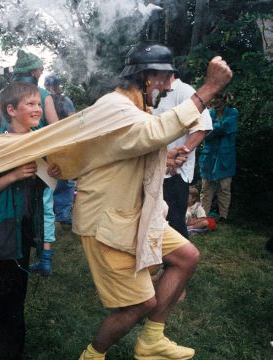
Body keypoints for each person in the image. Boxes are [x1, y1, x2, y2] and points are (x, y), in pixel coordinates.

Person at [69, 42, 232, 359]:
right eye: (164, 77)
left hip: (133, 213)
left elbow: (132, 149)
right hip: (106, 221)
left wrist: (164, 158)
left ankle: (151, 340)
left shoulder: (130, 108)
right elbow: (153, 132)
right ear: (145, 77)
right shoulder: (116, 106)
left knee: (186, 256)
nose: (169, 85)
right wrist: (210, 87)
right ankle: (92, 355)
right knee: (139, 304)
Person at [0, 81, 61, 359]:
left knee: (17, 295)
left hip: (22, 231)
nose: (38, 109)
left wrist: (53, 170)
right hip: (0, 231)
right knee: (6, 296)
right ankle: (2, 349)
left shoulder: (37, 140)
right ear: (11, 109)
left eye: (38, 103)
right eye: (31, 104)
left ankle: (10, 347)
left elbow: (42, 181)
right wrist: (13, 175)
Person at [0, 50, 61, 277]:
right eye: (40, 69)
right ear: (34, 71)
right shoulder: (42, 93)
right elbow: (56, 127)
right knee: (45, 203)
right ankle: (46, 258)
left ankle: (11, 247)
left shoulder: (4, 93)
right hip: (36, 154)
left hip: (6, 152)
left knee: (9, 198)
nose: (41, 73)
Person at [153, 74, 213, 238]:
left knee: (174, 223)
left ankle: (180, 262)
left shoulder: (184, 91)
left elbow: (203, 126)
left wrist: (179, 155)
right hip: (152, 170)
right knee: (155, 222)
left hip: (174, 174)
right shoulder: (152, 92)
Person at [199, 93, 238, 223]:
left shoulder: (233, 113)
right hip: (209, 156)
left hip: (225, 157)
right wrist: (216, 128)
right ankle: (203, 216)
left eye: (217, 98)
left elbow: (225, 128)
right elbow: (206, 133)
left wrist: (214, 127)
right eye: (213, 98)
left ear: (224, 99)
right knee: (206, 189)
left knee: (225, 188)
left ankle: (223, 216)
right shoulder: (208, 113)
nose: (214, 100)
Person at [44, 75, 77, 227]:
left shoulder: (43, 100)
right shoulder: (65, 100)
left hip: (49, 144)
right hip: (62, 142)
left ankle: (55, 214)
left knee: (51, 178)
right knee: (65, 179)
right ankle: (62, 215)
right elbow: (73, 121)